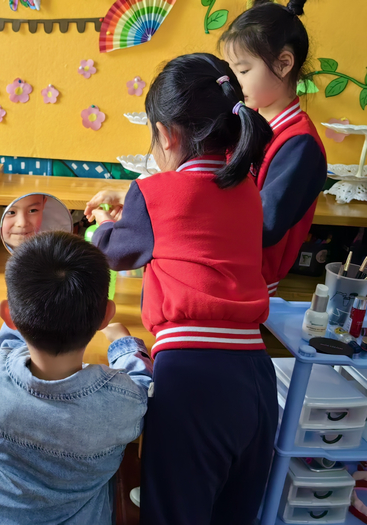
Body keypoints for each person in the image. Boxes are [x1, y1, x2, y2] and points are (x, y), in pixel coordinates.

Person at [85, 53, 277, 525]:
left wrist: (104, 223)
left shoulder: (153, 192)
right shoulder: (248, 189)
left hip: (193, 379)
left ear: (166, 133)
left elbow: (115, 252)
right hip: (256, 376)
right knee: (234, 514)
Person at [0, 231, 152, 525]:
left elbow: (8, 345)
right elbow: (143, 385)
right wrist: (123, 344)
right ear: (106, 315)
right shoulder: (121, 402)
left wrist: (21, 312)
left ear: (8, 315)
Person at [221, 0, 327, 296]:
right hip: (226, 263)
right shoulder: (247, 117)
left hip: (249, 282)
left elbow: (264, 226)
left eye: (243, 70)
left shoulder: (300, 144)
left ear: (283, 64)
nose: (234, 82)